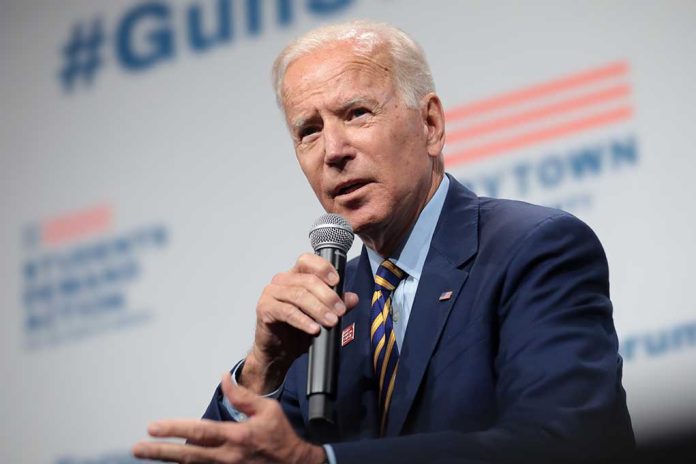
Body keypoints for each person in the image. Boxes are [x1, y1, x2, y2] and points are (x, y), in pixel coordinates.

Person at [133, 20, 634, 463]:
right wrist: (264, 368)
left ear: (430, 125)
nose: (333, 151)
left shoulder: (533, 249)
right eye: (309, 130)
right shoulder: (322, 306)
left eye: (356, 114)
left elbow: (564, 442)